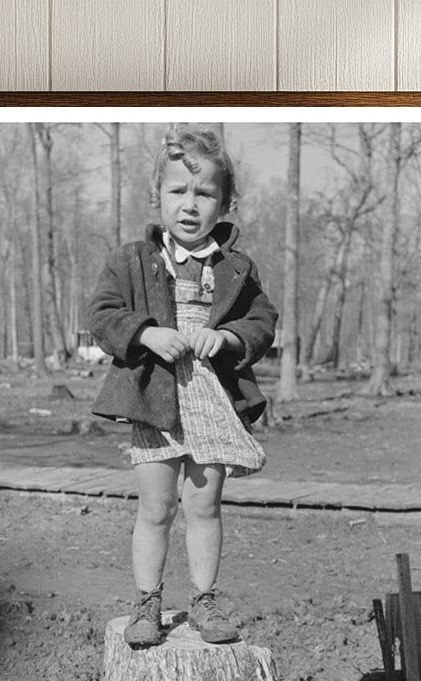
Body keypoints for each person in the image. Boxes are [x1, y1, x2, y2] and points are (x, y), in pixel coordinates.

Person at [88, 124, 278, 647]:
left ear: (225, 203)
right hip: (155, 399)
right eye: (178, 191)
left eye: (204, 193)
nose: (190, 204)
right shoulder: (132, 260)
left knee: (204, 504)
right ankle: (147, 600)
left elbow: (263, 321)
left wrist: (231, 338)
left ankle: (204, 599)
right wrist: (146, 333)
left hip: (212, 400)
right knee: (156, 507)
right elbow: (102, 316)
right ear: (158, 197)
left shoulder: (236, 268)